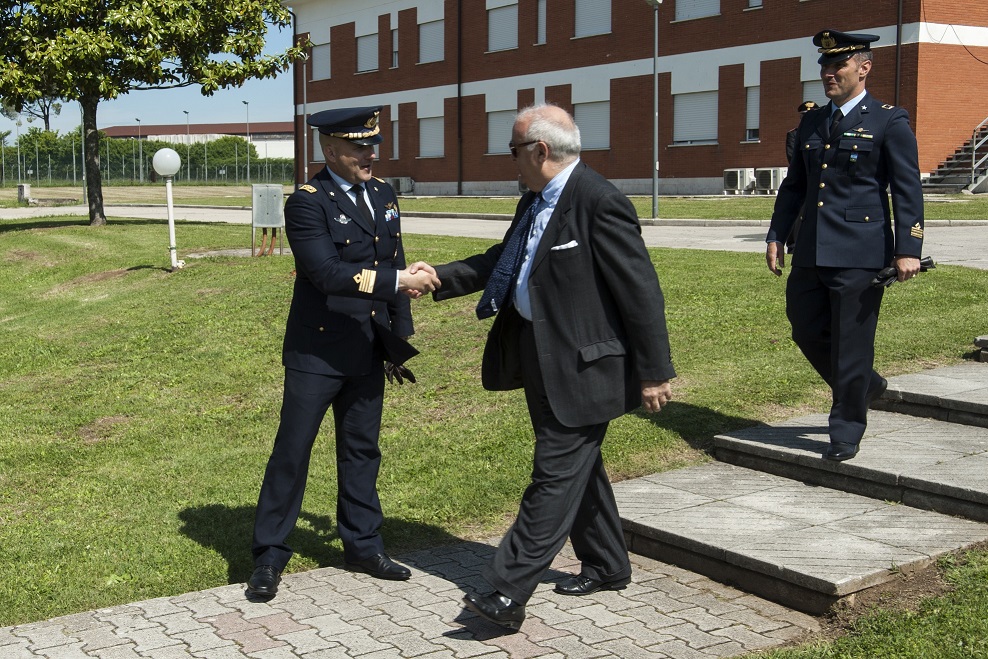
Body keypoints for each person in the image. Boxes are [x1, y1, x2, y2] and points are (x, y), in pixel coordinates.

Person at [411, 103, 675, 631]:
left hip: (586, 366)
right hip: (539, 357)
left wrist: (655, 371)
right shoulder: (535, 201)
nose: (509, 161)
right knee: (578, 470)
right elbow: (503, 260)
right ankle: (606, 563)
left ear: (540, 150)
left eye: (513, 150)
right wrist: (438, 275)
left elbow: (641, 291)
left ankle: (507, 592)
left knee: (553, 476)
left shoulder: (599, 201)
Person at [247, 106, 440, 599]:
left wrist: (398, 336)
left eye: (372, 146)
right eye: (359, 148)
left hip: (368, 345)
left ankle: (363, 545)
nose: (369, 155)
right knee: (293, 451)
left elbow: (392, 255)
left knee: (361, 450)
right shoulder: (307, 202)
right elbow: (329, 274)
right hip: (317, 349)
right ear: (330, 151)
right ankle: (269, 554)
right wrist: (400, 280)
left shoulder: (381, 192)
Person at [765, 30, 924, 462]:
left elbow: (907, 190)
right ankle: (866, 385)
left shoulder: (889, 120)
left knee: (852, 343)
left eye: (838, 65)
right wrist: (777, 234)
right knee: (805, 327)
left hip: (860, 251)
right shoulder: (813, 122)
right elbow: (795, 186)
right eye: (824, 66)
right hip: (814, 249)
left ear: (864, 68)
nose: (828, 73)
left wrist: (908, 247)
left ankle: (846, 427)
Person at [783, 100, 818, 253]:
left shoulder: (821, 133)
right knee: (797, 210)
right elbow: (792, 157)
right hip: (801, 178)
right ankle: (792, 244)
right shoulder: (794, 134)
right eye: (804, 115)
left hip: (817, 178)